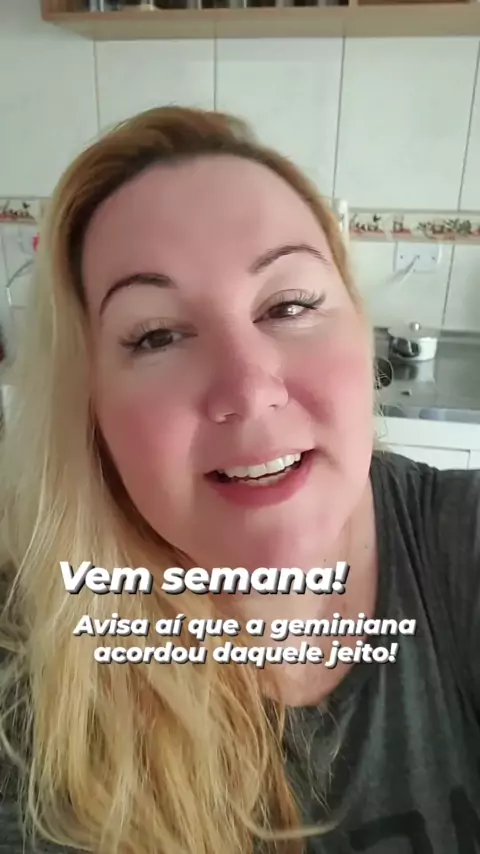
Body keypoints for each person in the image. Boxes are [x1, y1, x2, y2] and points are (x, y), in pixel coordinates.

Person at [0, 105, 478, 854]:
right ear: (90, 407)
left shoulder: (460, 543)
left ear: (361, 331)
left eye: (290, 305)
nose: (250, 389)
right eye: (157, 335)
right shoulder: (29, 676)